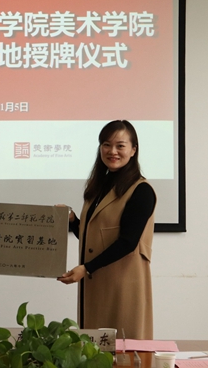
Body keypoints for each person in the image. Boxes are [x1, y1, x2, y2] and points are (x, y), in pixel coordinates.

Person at [57, 120, 156, 339]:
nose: (112, 151)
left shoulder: (141, 190)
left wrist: (87, 268)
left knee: (123, 348)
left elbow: (128, 242)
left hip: (122, 286)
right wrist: (72, 220)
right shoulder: (98, 188)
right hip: (96, 282)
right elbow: (92, 237)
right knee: (93, 348)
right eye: (106, 145)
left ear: (133, 150)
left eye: (120, 145)